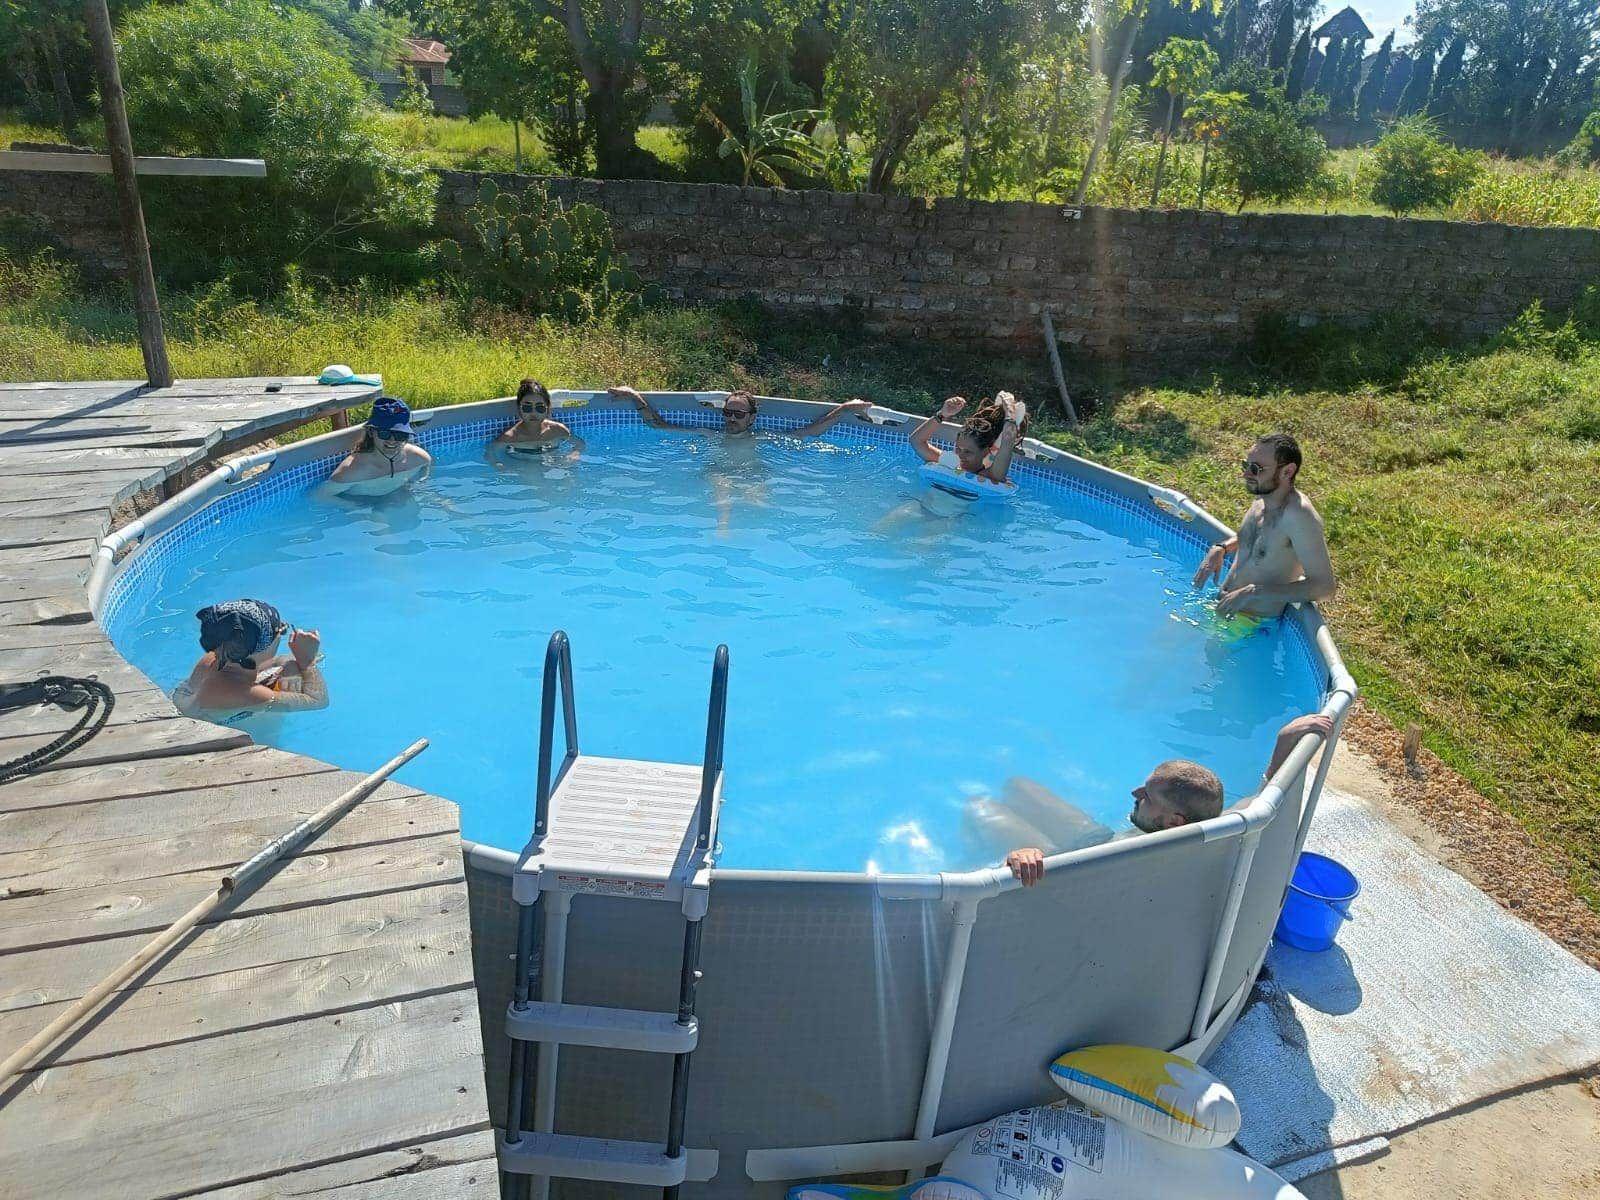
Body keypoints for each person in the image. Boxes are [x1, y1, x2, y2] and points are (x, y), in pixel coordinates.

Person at [1001, 713, 1335, 886]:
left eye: (1147, 796)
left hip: (1087, 854)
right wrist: (1284, 742)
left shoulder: (1136, 858)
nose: (1135, 794)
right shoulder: (1222, 827)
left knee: (983, 810)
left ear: (1174, 821)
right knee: (1018, 786)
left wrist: (1021, 856)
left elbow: (1055, 881)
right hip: (1102, 836)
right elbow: (1265, 799)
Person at [1192, 433, 1336, 618]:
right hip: (1222, 608)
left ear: (1287, 472)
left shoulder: (1299, 516)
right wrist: (1222, 548)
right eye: (1246, 465)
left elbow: (1325, 588)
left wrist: (1254, 592)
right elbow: (1262, 540)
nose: (1246, 474)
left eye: (1256, 469)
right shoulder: (1263, 499)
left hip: (1251, 624)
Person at [171, 599, 328, 720]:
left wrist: (295, 661)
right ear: (262, 647)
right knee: (290, 682)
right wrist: (307, 663)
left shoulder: (219, 656)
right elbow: (318, 701)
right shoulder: (248, 694)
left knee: (289, 669)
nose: (282, 633)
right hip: (200, 727)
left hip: (190, 702)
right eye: (281, 631)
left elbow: (276, 661)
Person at [609, 385, 872, 438]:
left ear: (752, 417)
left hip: (751, 475)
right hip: (720, 474)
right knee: (721, 493)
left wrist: (844, 409)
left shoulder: (762, 438)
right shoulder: (708, 434)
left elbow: (808, 432)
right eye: (727, 413)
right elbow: (659, 425)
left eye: (738, 414)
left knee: (758, 501)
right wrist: (634, 396)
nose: (731, 419)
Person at [324, 396, 432, 498]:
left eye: (400, 435)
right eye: (384, 434)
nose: (392, 440)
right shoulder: (351, 472)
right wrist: (359, 507)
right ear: (371, 432)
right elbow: (322, 497)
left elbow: (422, 476)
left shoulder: (420, 458)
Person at [911, 392, 1028, 484]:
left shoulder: (989, 476)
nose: (960, 455)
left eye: (968, 451)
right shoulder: (949, 463)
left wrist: (1010, 412)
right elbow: (916, 441)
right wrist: (942, 414)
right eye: (958, 448)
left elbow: (1008, 440)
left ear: (985, 451)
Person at [491, 379, 583, 457]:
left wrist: (574, 455)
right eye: (527, 407)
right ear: (519, 408)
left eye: (540, 407)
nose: (533, 413)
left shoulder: (558, 430)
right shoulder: (510, 438)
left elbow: (579, 444)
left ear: (548, 408)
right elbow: (491, 456)